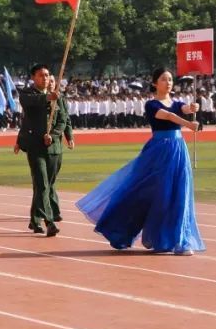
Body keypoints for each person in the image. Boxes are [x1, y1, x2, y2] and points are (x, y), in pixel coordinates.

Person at [76, 67, 205, 255]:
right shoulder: (151, 105)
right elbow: (168, 116)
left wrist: (193, 108)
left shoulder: (177, 103)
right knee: (158, 195)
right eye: (163, 79)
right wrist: (188, 124)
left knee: (180, 194)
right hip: (158, 152)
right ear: (154, 83)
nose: (168, 82)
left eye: (170, 79)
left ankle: (181, 241)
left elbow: (184, 108)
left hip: (178, 150)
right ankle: (138, 233)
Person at [14, 65, 73, 237]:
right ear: (33, 77)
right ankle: (49, 222)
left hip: (53, 148)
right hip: (35, 146)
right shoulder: (27, 94)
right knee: (42, 184)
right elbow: (31, 103)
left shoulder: (57, 97)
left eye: (47, 75)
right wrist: (48, 97)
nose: (45, 78)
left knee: (45, 186)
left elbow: (63, 120)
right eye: (41, 75)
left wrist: (53, 136)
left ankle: (34, 220)